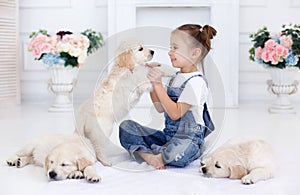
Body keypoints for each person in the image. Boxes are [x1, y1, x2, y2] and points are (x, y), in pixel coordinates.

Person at [119, 24, 217, 169]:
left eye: (175, 48)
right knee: (126, 127)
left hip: (188, 139)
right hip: (168, 136)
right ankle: (153, 157)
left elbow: (176, 113)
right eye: (170, 48)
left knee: (180, 154)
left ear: (194, 53)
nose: (170, 53)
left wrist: (159, 85)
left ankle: (156, 153)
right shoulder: (175, 77)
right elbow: (160, 108)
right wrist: (152, 83)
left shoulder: (196, 82)